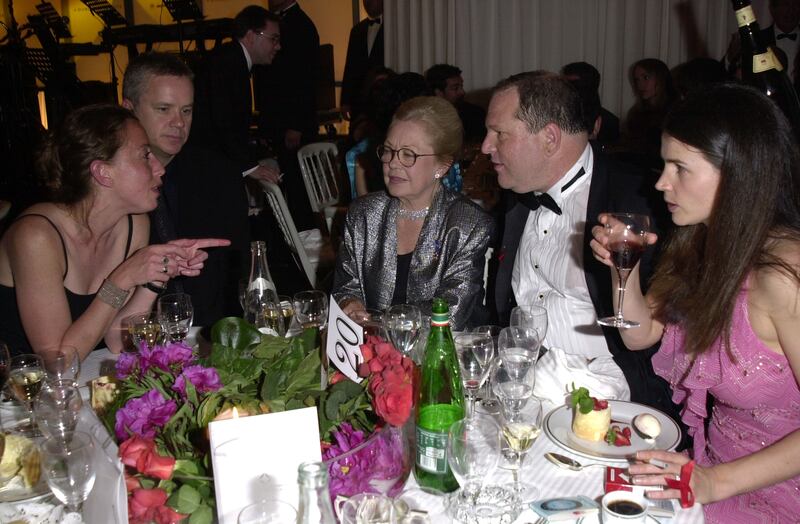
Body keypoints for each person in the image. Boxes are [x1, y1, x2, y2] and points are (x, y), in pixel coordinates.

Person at [590, 83, 800, 522]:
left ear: (738, 173)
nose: (661, 182)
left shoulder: (785, 275)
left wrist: (715, 482)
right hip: (706, 467)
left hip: (776, 492)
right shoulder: (700, 245)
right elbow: (639, 335)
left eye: (679, 168)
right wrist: (621, 266)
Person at [484, 72, 679, 422]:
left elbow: (664, 335)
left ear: (550, 138)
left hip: (612, 405)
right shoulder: (515, 199)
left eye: (499, 134)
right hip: (520, 390)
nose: (485, 146)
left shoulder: (644, 202)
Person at [0, 104, 229, 359]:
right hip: (18, 389)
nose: (159, 168)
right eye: (145, 155)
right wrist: (122, 278)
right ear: (103, 172)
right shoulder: (36, 236)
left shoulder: (133, 223)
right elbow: (57, 362)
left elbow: (118, 341)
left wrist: (153, 277)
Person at [333, 96, 493, 330]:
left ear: (442, 165)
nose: (393, 163)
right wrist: (350, 302)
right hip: (372, 353)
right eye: (388, 151)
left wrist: (379, 323)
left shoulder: (468, 224)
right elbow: (345, 286)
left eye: (409, 154)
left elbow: (450, 311)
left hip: (440, 354)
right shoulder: (363, 214)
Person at [121, 53, 250, 327]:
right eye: (164, 109)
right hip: (130, 335)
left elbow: (237, 270)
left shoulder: (219, 175)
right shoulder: (108, 183)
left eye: (186, 111)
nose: (179, 123)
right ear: (129, 109)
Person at [189, 5, 282, 184]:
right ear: (251, 36)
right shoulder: (227, 63)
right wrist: (251, 167)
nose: (278, 46)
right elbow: (222, 121)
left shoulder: (231, 58)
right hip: (206, 165)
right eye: (274, 39)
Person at [254, 0, 320, 230]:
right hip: (276, 119)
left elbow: (306, 80)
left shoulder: (302, 26)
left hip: (293, 123)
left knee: (298, 187)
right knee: (281, 184)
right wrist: (265, 124)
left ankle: (302, 237)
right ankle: (285, 238)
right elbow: (265, 79)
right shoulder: (273, 21)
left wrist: (296, 125)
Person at [623, 58, 675, 169]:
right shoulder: (637, 113)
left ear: (660, 79)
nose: (640, 85)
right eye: (637, 80)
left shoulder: (674, 112)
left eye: (646, 78)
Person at [340, 0, 384, 122]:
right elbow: (350, 67)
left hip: (382, 101)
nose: (367, 2)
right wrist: (345, 101)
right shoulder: (356, 30)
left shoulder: (394, 30)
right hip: (358, 103)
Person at [561, 61, 620, 148]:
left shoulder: (609, 122)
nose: (565, 90)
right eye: (564, 85)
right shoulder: (557, 115)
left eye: (574, 85)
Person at [424, 63, 487, 143]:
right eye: (455, 88)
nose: (462, 92)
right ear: (439, 92)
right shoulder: (426, 116)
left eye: (462, 86)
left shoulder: (475, 113)